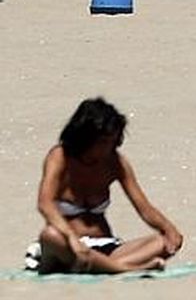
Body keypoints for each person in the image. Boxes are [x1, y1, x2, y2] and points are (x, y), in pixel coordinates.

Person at [33, 98, 183, 274]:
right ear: (86, 137)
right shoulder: (60, 157)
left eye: (113, 141)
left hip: (107, 247)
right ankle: (124, 268)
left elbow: (144, 208)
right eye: (103, 142)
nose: (109, 147)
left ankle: (103, 266)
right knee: (50, 235)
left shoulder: (115, 162)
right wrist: (72, 238)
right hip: (68, 245)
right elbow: (45, 203)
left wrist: (168, 228)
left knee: (162, 242)